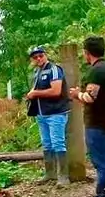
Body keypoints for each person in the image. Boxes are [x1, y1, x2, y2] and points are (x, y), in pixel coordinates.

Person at [70, 36, 105, 197]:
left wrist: (77, 94)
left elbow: (90, 97)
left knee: (101, 162)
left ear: (87, 52)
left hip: (97, 123)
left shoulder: (96, 71)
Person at [25, 46, 71, 185]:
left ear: (45, 55)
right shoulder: (36, 72)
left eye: (40, 55)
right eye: (35, 57)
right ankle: (50, 173)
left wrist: (35, 93)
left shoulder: (54, 69)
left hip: (55, 112)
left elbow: (56, 91)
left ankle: (63, 176)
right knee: (47, 144)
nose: (38, 59)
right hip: (42, 113)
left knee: (58, 143)